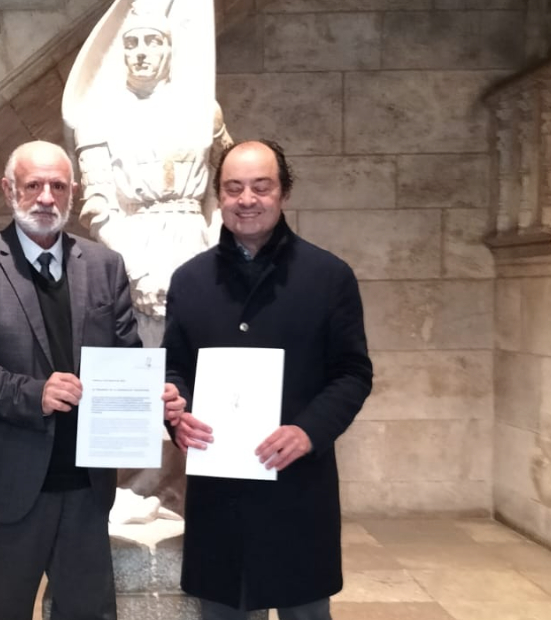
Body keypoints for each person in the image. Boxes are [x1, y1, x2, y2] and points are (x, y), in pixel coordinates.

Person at [0, 140, 186, 620]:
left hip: (86, 489)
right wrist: (36, 393)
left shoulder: (105, 266)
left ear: (73, 190)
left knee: (89, 613)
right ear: (9, 190)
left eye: (57, 186)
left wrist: (153, 395)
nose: (46, 197)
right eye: (33, 185)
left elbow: (125, 355)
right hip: (5, 486)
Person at [161, 140, 374, 619]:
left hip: (298, 489)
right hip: (218, 497)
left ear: (284, 192)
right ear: (218, 196)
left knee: (305, 611)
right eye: (234, 188)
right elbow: (174, 369)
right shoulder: (189, 280)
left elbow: (353, 372)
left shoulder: (329, 276)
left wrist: (308, 431)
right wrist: (177, 414)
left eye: (261, 186)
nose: (247, 199)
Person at [73, 2, 232, 319]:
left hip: (196, 237)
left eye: (152, 41)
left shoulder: (203, 110)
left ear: (168, 48)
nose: (141, 53)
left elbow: (226, 185)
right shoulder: (98, 115)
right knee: (141, 340)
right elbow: (99, 207)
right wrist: (136, 271)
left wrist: (215, 246)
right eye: (132, 43)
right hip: (132, 243)